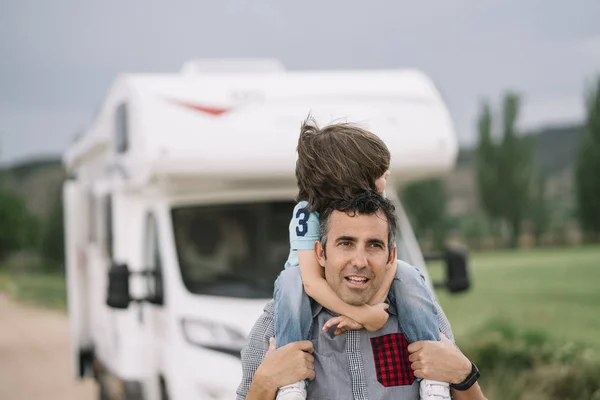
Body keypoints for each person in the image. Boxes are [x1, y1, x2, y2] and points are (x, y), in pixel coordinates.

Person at [237, 191, 486, 399]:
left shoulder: (420, 313)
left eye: (374, 245)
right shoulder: (278, 321)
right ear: (320, 253)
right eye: (346, 243)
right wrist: (264, 384)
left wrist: (465, 376)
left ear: (391, 256)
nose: (360, 261)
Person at [271, 119, 449, 400]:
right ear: (353, 181)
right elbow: (311, 283)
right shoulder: (307, 214)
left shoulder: (377, 203)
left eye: (372, 245)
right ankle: (292, 381)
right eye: (379, 173)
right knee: (289, 281)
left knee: (409, 273)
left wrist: (376, 305)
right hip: (310, 289)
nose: (387, 176)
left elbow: (391, 261)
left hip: (369, 297)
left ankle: (434, 377)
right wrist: (363, 314)